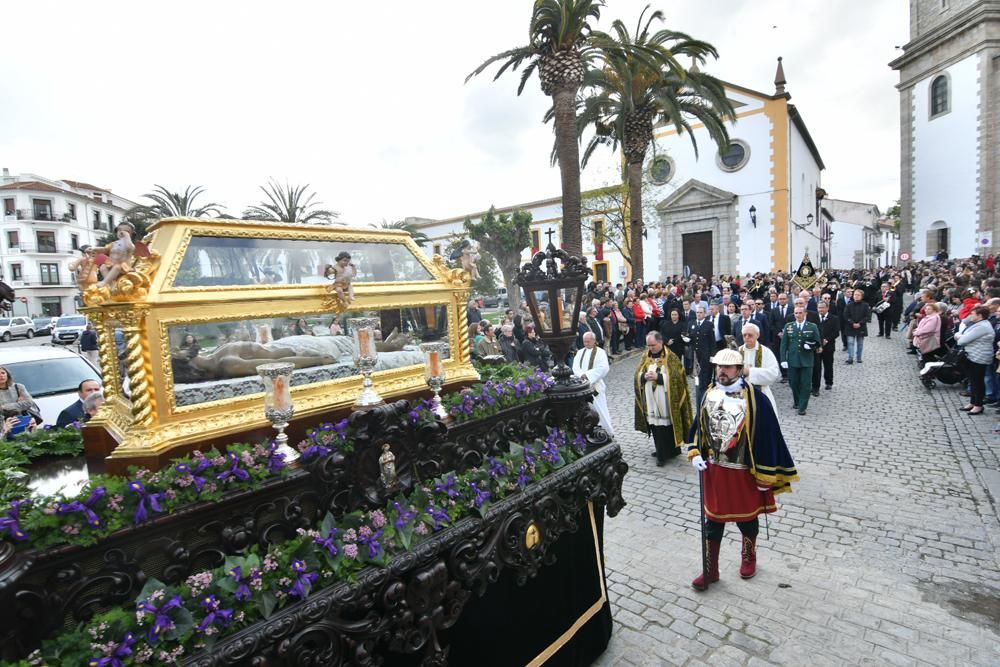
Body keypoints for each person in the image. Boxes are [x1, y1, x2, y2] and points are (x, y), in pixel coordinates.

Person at [687, 348, 799, 590]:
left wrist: (765, 475)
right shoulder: (710, 393)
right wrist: (695, 451)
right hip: (715, 469)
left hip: (743, 472)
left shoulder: (755, 399)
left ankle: (749, 556)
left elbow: (769, 437)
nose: (721, 371)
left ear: (739, 370)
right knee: (713, 521)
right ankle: (711, 569)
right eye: (718, 367)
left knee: (747, 520)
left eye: (727, 368)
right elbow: (699, 426)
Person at [634, 332, 692, 466]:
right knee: (654, 426)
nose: (650, 348)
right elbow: (637, 374)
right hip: (650, 398)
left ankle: (664, 454)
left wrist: (658, 378)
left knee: (664, 427)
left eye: (653, 345)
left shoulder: (671, 358)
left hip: (665, 401)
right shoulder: (645, 356)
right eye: (648, 345)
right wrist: (643, 377)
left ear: (661, 343)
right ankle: (662, 450)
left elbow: (677, 379)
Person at [780, 306, 820, 415]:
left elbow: (818, 342)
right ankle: (797, 401)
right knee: (794, 383)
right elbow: (784, 344)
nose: (798, 315)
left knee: (806, 384)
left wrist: (811, 347)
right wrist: (783, 359)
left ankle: (802, 407)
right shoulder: (789, 326)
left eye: (800, 313)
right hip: (793, 360)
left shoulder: (812, 326)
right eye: (796, 313)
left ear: (805, 313)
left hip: (807, 360)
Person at [572, 332, 614, 436]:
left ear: (594, 341)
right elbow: (575, 367)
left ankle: (606, 430)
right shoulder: (580, 352)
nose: (586, 343)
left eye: (588, 341)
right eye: (584, 341)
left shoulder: (600, 353)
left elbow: (603, 368)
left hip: (596, 386)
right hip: (582, 386)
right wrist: (582, 375)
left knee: (600, 408)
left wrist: (588, 376)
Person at [955, 305, 994, 415]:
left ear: (980, 316)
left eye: (972, 314)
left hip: (979, 357)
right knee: (972, 380)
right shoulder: (977, 324)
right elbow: (963, 332)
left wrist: (959, 336)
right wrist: (961, 335)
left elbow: (962, 341)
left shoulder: (982, 326)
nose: (970, 315)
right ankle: (973, 402)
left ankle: (978, 405)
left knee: (977, 381)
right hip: (972, 355)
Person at [738, 323, 780, 411]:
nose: (747, 337)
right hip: (740, 396)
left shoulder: (766, 352)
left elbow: (773, 373)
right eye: (744, 335)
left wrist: (750, 372)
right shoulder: (738, 351)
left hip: (761, 393)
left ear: (758, 335)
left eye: (750, 335)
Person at [688, 306, 715, 408]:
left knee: (705, 376)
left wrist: (712, 355)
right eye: (697, 312)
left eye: (700, 312)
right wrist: (687, 339)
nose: (698, 314)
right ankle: (699, 391)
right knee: (697, 376)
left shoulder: (708, 324)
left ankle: (704, 394)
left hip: (705, 354)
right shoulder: (692, 323)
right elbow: (691, 337)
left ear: (704, 313)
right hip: (695, 354)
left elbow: (712, 341)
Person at [813, 300, 840, 393]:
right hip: (817, 346)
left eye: (822, 307)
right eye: (819, 308)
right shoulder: (814, 318)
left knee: (828, 365)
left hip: (829, 346)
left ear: (827, 308)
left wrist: (827, 339)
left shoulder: (834, 318)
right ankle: (816, 385)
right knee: (817, 367)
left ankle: (829, 382)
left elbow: (836, 332)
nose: (820, 310)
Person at [844, 289, 872, 364]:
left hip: (861, 326)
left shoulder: (865, 305)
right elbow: (846, 315)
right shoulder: (849, 305)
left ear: (862, 296)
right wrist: (852, 323)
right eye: (855, 295)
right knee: (850, 342)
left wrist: (860, 323)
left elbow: (867, 316)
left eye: (858, 295)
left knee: (860, 343)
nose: (856, 296)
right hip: (850, 326)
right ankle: (850, 358)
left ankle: (859, 357)